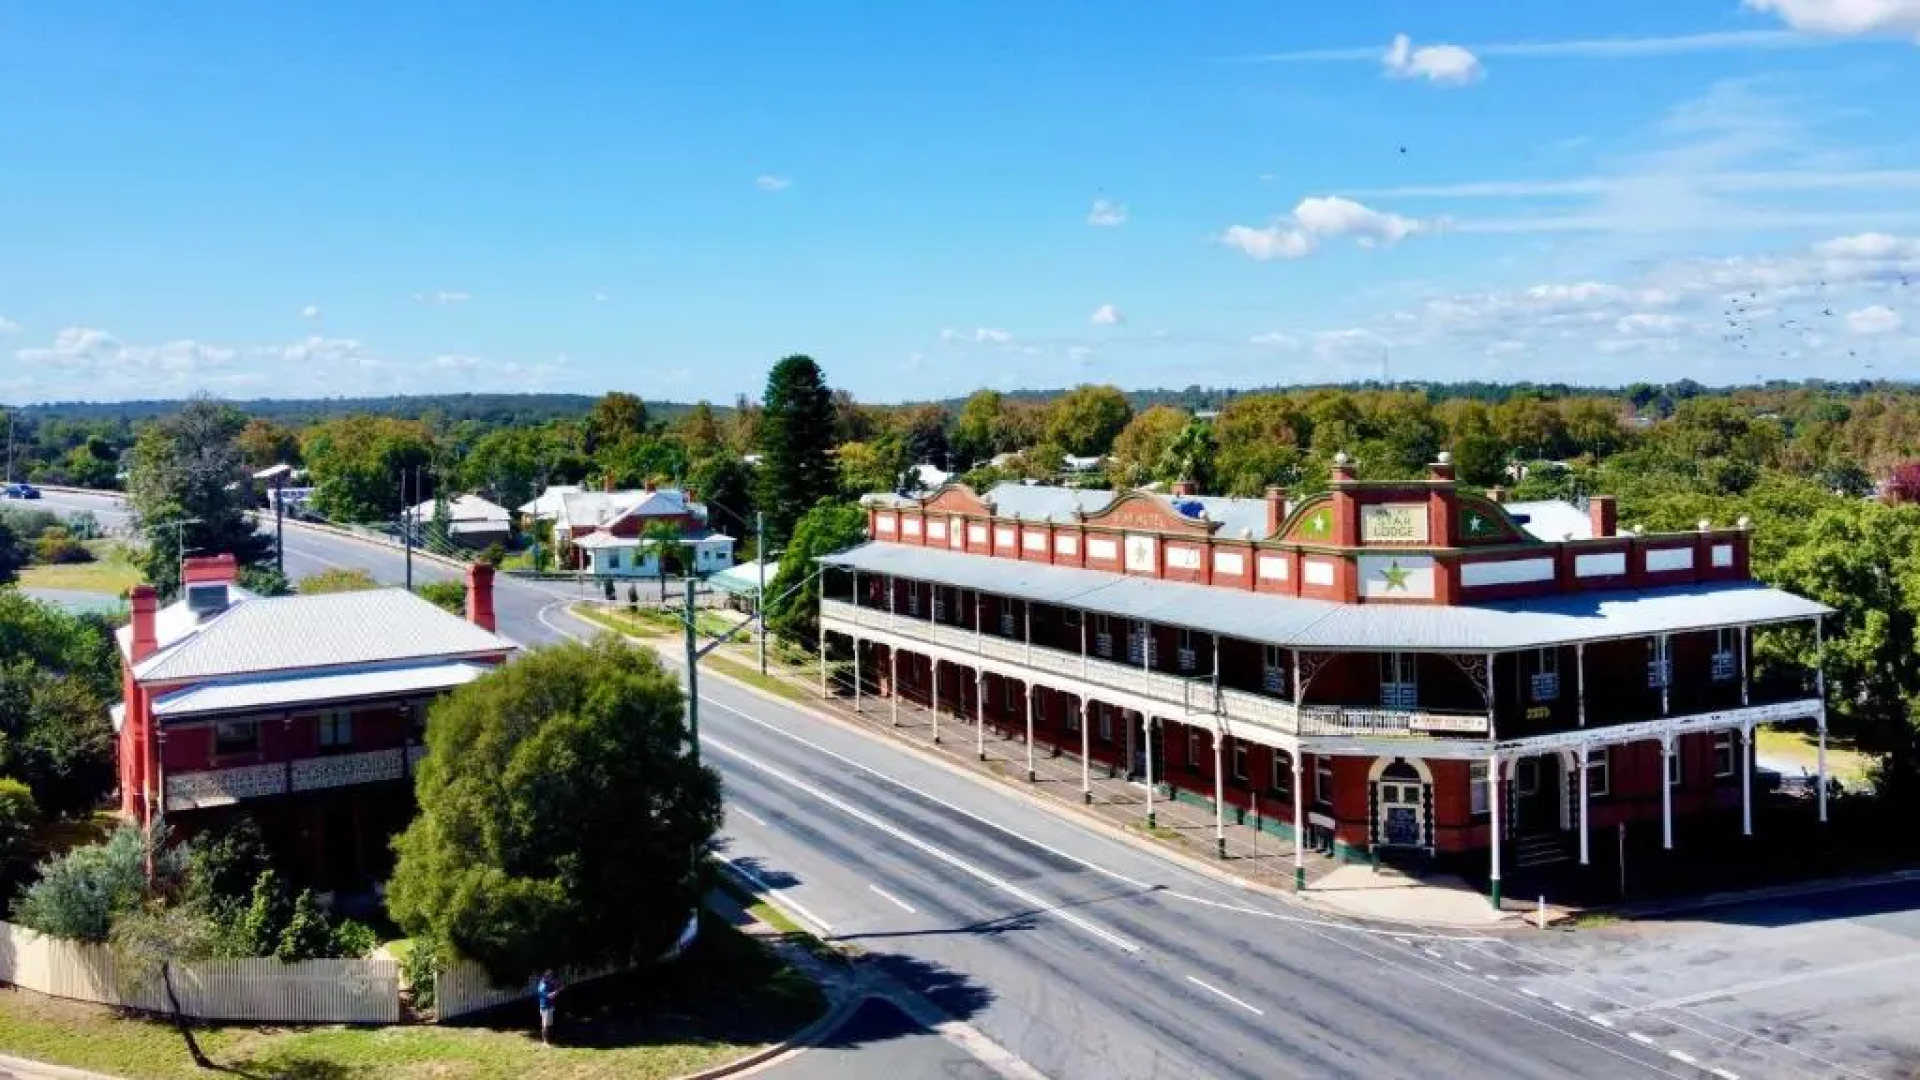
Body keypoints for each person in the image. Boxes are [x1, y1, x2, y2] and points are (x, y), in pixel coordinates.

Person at [535, 970, 561, 1045]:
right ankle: (545, 1042)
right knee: (545, 1025)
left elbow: (555, 987)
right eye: (550, 977)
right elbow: (550, 996)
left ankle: (548, 1041)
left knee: (549, 1025)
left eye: (552, 977)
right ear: (546, 977)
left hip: (550, 1007)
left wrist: (557, 987)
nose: (551, 979)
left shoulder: (548, 983)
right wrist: (558, 990)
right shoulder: (542, 986)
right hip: (545, 1008)